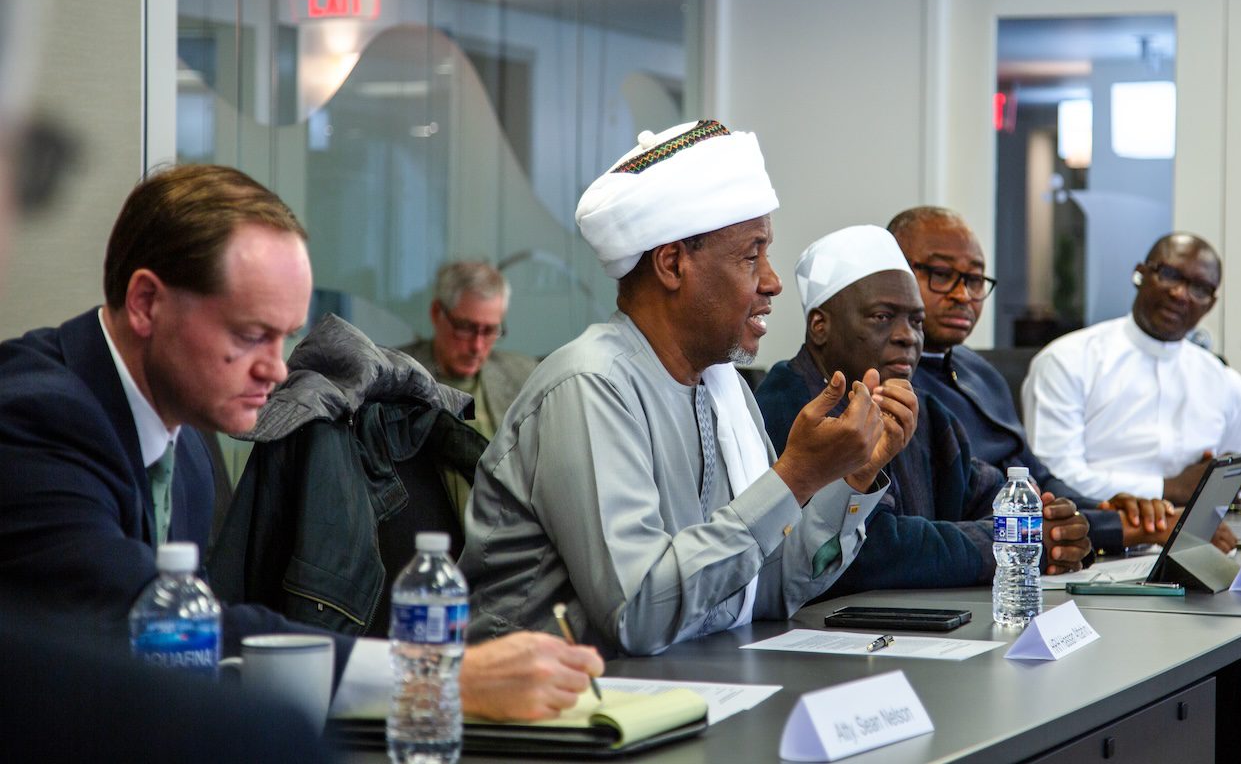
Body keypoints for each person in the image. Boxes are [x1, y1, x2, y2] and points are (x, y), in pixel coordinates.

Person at [0, 164, 602, 722]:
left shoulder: (187, 444)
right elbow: (140, 620)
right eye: (252, 334)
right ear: (146, 303)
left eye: (284, 337)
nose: (279, 370)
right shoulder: (35, 417)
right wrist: (439, 673)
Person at [460, 120, 906, 656]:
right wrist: (793, 477)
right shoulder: (590, 386)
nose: (772, 281)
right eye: (750, 255)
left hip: (681, 687)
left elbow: (765, 590)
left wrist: (849, 480)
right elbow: (639, 612)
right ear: (673, 264)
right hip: (549, 718)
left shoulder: (723, 391)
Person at [756, 225, 1092, 596]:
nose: (908, 336)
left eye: (916, 321)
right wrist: (1014, 541)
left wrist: (1052, 528)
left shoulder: (923, 408)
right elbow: (868, 552)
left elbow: (989, 494)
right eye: (883, 317)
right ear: (820, 326)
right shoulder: (790, 403)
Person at [889, 207, 1193, 554]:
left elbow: (1036, 480)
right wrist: (1116, 527)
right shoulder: (891, 385)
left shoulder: (983, 372)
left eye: (975, 280)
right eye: (941, 274)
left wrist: (1110, 508)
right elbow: (965, 513)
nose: (963, 296)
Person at [1021, 232, 1241, 506]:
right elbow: (1055, 478)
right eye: (1170, 274)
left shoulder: (1224, 381)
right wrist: (1170, 488)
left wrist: (1224, 482)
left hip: (1194, 539)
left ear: (1211, 303)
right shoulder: (1067, 360)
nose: (1180, 294)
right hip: (1096, 535)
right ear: (1140, 274)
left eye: (1200, 288)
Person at [402, 260, 538, 520]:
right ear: (436, 314)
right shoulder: (400, 376)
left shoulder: (524, 374)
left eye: (489, 331)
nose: (477, 346)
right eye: (465, 328)